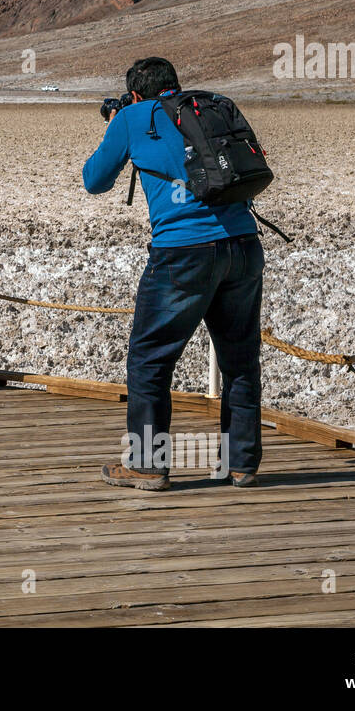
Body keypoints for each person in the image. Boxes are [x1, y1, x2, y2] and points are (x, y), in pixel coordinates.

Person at [82, 57, 264, 490]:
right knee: (239, 360)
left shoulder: (132, 116)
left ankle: (147, 465)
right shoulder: (211, 107)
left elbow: (94, 180)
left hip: (182, 253)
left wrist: (119, 122)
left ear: (136, 93)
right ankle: (241, 465)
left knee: (150, 359)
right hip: (243, 243)